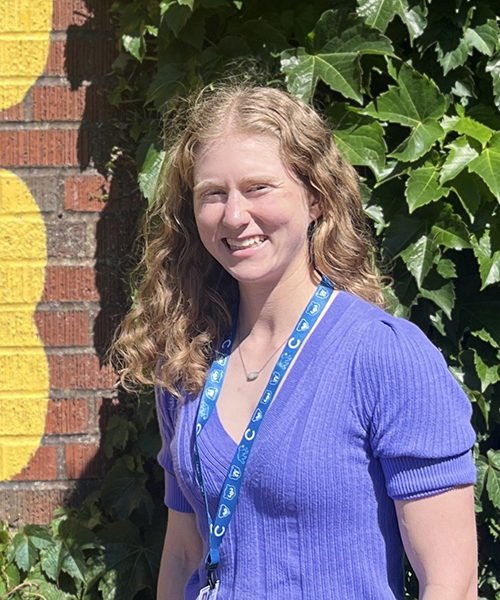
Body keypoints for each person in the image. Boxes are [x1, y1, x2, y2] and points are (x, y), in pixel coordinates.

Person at [113, 85, 478, 600]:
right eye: (213, 194)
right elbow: (183, 553)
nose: (235, 216)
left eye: (259, 188)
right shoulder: (187, 361)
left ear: (316, 197)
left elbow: (452, 583)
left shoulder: (384, 356)